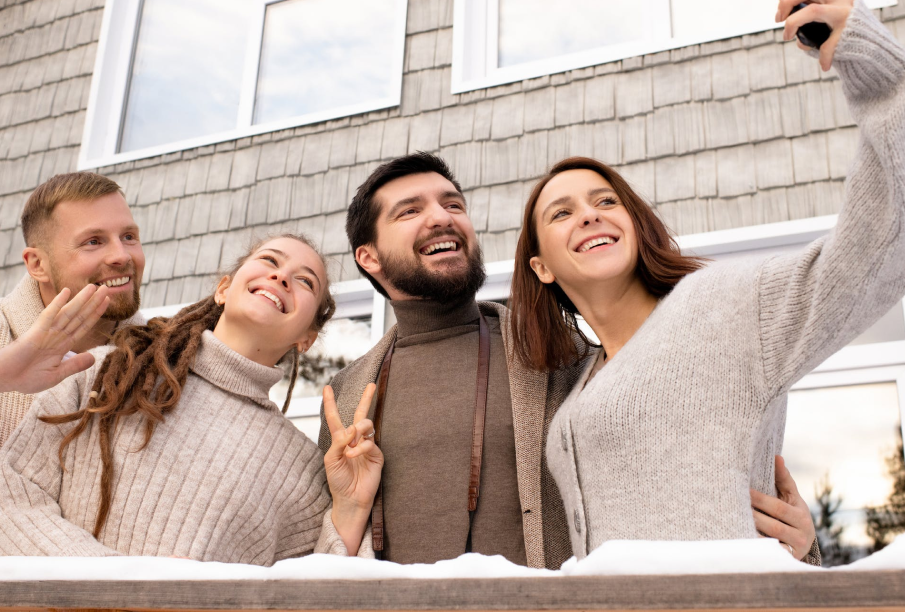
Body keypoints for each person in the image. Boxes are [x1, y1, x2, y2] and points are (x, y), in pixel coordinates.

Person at [510, 0, 905, 559]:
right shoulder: (575, 382)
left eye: (605, 201)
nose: (590, 217)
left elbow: (881, 244)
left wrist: (882, 74)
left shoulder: (722, 306)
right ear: (541, 267)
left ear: (635, 222)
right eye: (562, 213)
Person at [319, 153, 818, 568]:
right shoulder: (343, 397)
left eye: (454, 204)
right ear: (369, 257)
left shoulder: (561, 354)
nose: (443, 217)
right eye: (410, 211)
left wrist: (799, 547)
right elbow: (326, 549)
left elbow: (690, 456)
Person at [0, 235, 345, 563]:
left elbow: (310, 592)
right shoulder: (112, 371)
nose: (281, 277)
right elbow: (9, 507)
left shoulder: (302, 471)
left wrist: (353, 506)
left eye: (305, 282)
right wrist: (128, 584)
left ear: (306, 339)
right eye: (270, 261)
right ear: (223, 289)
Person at [0, 171, 145, 556]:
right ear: (37, 263)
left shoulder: (162, 365)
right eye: (93, 241)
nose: (122, 255)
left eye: (129, 236)